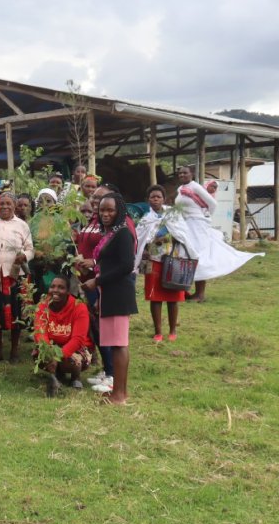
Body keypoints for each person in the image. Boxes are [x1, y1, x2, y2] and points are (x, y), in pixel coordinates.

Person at [172, 166, 264, 302]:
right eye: (180, 173)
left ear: (192, 174)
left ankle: (200, 294)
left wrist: (205, 216)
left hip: (197, 226)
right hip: (185, 225)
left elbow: (212, 203)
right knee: (184, 255)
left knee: (198, 256)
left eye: (185, 173)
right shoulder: (180, 189)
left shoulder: (196, 187)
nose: (182, 175)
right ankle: (184, 290)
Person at [80, 192, 137, 405]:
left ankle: (119, 395)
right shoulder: (111, 233)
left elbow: (126, 266)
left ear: (119, 211)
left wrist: (97, 281)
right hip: (109, 293)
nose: (105, 214)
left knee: (119, 344)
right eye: (102, 210)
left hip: (118, 293)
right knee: (114, 343)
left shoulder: (123, 233)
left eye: (110, 210)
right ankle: (119, 391)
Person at [0, 191, 34, 365]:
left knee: (15, 313)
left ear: (14, 206)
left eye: (8, 203)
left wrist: (24, 256)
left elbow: (30, 249)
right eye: (2, 203)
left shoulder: (22, 225)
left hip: (14, 276)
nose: (4, 206)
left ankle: (14, 351)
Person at [135, 184, 191, 342]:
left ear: (164, 199)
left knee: (173, 297)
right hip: (153, 262)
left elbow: (183, 234)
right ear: (148, 200)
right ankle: (158, 332)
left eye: (158, 197)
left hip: (172, 261)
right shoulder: (146, 219)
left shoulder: (173, 215)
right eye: (152, 197)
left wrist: (172, 234)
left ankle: (173, 331)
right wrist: (145, 248)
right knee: (155, 298)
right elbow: (139, 239)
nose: (155, 199)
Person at [33, 275, 93, 397]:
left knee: (72, 361)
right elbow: (40, 333)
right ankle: (57, 373)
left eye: (61, 287)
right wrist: (49, 353)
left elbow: (78, 339)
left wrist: (57, 357)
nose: (55, 290)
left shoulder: (79, 307)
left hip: (73, 348)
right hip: (52, 346)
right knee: (39, 356)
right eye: (52, 287)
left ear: (68, 291)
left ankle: (75, 377)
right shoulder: (42, 306)